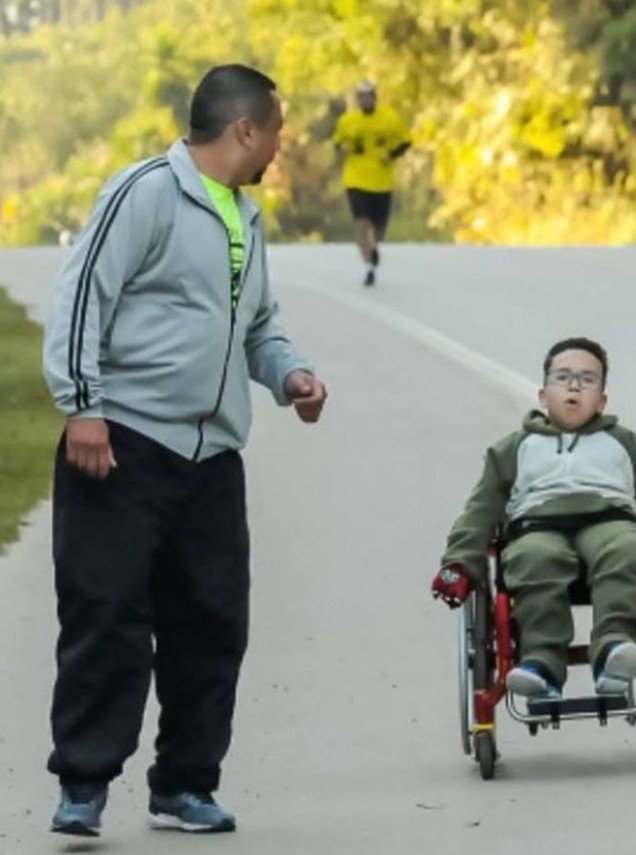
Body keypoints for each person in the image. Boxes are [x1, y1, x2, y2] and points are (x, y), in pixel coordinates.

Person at [41, 63, 328, 837]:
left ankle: (185, 784)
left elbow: (259, 322)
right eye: (276, 130)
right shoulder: (144, 194)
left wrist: (289, 373)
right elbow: (81, 296)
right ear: (245, 129)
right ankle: (84, 783)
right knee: (106, 615)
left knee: (212, 622)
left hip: (210, 459)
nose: (279, 144)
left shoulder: (242, 214)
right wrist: (82, 407)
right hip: (123, 442)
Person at [431, 337, 636, 699]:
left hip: (609, 520)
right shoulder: (512, 449)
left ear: (602, 400)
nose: (574, 385)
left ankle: (613, 647)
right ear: (544, 395)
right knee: (533, 559)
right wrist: (459, 563)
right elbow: (479, 513)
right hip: (536, 526)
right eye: (563, 377)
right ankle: (542, 660)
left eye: (587, 379)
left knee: (626, 550)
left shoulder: (625, 443)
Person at [331, 80, 411, 286]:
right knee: (361, 222)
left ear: (375, 97)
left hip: (382, 181)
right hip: (356, 178)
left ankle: (374, 248)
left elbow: (405, 142)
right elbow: (338, 143)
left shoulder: (389, 118)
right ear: (358, 100)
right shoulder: (348, 121)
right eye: (362, 97)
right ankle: (368, 265)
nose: (366, 100)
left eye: (369, 96)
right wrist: (347, 148)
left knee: (379, 228)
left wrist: (390, 154)